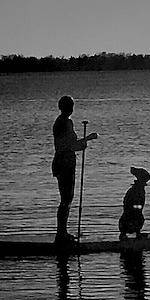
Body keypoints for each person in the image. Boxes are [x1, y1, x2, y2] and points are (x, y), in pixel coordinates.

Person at [52, 95, 98, 244]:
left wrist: (82, 144)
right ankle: (61, 234)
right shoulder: (65, 122)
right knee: (66, 198)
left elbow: (70, 145)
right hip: (64, 163)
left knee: (66, 198)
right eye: (70, 106)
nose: (71, 108)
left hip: (62, 162)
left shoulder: (61, 122)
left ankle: (62, 232)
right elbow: (70, 146)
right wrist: (87, 139)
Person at [118, 167, 150, 240]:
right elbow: (132, 202)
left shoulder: (136, 189)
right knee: (138, 217)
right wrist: (137, 209)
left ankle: (127, 233)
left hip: (130, 211)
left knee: (137, 217)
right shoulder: (137, 189)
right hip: (132, 212)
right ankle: (136, 234)